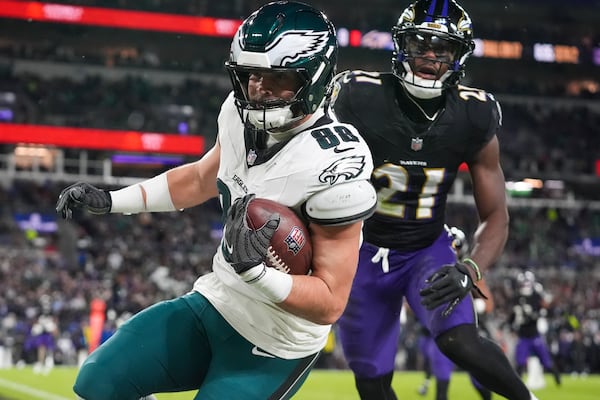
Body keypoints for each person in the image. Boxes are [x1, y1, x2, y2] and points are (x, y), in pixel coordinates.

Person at [55, 2, 377, 399]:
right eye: (251, 75)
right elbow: (199, 179)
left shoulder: (335, 162)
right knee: (97, 381)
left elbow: (330, 301)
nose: (258, 88)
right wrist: (112, 200)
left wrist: (257, 273)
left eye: (277, 78)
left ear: (314, 79)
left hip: (276, 343)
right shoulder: (237, 115)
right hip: (217, 300)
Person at [329, 1, 540, 399]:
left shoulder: (472, 115)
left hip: (426, 248)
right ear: (400, 45)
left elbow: (496, 215)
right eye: (421, 44)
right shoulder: (356, 96)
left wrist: (471, 268)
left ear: (458, 57)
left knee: (459, 341)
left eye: (442, 49)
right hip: (359, 252)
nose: (430, 57)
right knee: (371, 381)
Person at [415, 227, 493, 400]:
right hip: (442, 332)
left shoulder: (469, 273)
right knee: (442, 385)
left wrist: (479, 305)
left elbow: (487, 304)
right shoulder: (430, 270)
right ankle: (427, 381)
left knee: (480, 381)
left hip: (467, 333)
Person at [509, 271, 561, 386]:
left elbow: (546, 311)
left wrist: (534, 314)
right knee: (520, 362)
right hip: (523, 335)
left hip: (534, 334)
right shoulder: (517, 297)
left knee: (547, 361)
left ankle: (557, 379)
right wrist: (512, 325)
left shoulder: (536, 296)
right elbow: (512, 316)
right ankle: (517, 385)